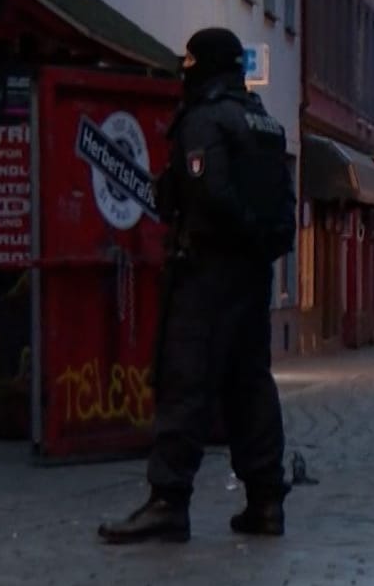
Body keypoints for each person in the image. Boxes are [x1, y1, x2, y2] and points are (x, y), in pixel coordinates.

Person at [99, 27, 297, 545]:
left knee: (185, 378)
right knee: (250, 382)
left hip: (207, 267)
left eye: (187, 63)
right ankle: (265, 500)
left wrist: (216, 234)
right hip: (254, 274)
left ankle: (168, 500)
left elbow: (209, 192)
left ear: (201, 65)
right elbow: (283, 205)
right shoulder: (266, 124)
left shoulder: (204, 119)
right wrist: (258, 245)